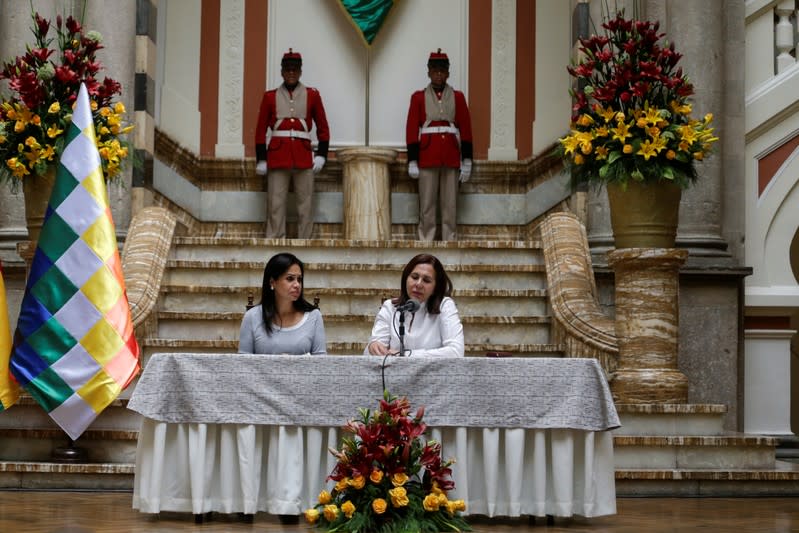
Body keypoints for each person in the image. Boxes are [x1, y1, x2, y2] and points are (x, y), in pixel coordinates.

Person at [254, 49, 331, 239]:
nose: (291, 73)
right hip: (277, 157)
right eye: (287, 69)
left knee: (305, 204)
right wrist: (261, 159)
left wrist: (321, 154)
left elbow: (323, 127)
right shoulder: (269, 97)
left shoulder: (312, 95)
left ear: (300, 72)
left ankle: (305, 242)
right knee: (275, 203)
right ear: (281, 72)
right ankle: (274, 241)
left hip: (304, 157)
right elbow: (260, 130)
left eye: (294, 70)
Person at [405, 49, 474, 241]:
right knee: (427, 203)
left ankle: (449, 240)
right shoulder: (418, 97)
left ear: (448, 73)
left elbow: (466, 128)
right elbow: (412, 129)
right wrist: (412, 160)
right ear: (428, 72)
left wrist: (467, 160)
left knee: (450, 204)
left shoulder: (458, 97)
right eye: (435, 70)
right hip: (427, 156)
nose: (438, 74)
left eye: (442, 71)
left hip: (451, 156)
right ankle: (426, 240)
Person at [365, 253, 464, 357]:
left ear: (436, 288)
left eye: (426, 280)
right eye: (414, 277)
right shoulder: (390, 307)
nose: (418, 284)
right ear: (406, 279)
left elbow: (456, 352)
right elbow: (371, 354)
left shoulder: (444, 306)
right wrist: (374, 346)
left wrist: (406, 355)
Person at [239, 252, 326, 355]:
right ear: (272, 282)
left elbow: (321, 363)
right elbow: (243, 364)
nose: (297, 285)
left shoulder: (314, 316)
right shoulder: (252, 317)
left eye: (299, 279)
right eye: (290, 279)